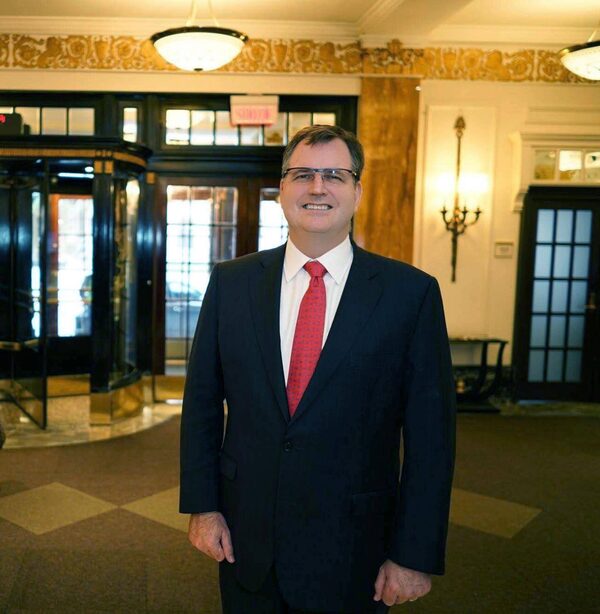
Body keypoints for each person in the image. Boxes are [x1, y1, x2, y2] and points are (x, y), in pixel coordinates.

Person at [180, 125, 455, 613]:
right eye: (303, 174)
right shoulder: (231, 283)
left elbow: (431, 439)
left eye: (334, 175)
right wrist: (204, 507)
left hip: (355, 548)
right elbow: (201, 404)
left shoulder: (410, 294)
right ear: (282, 188)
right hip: (247, 539)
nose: (317, 187)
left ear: (357, 191)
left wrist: (413, 554)